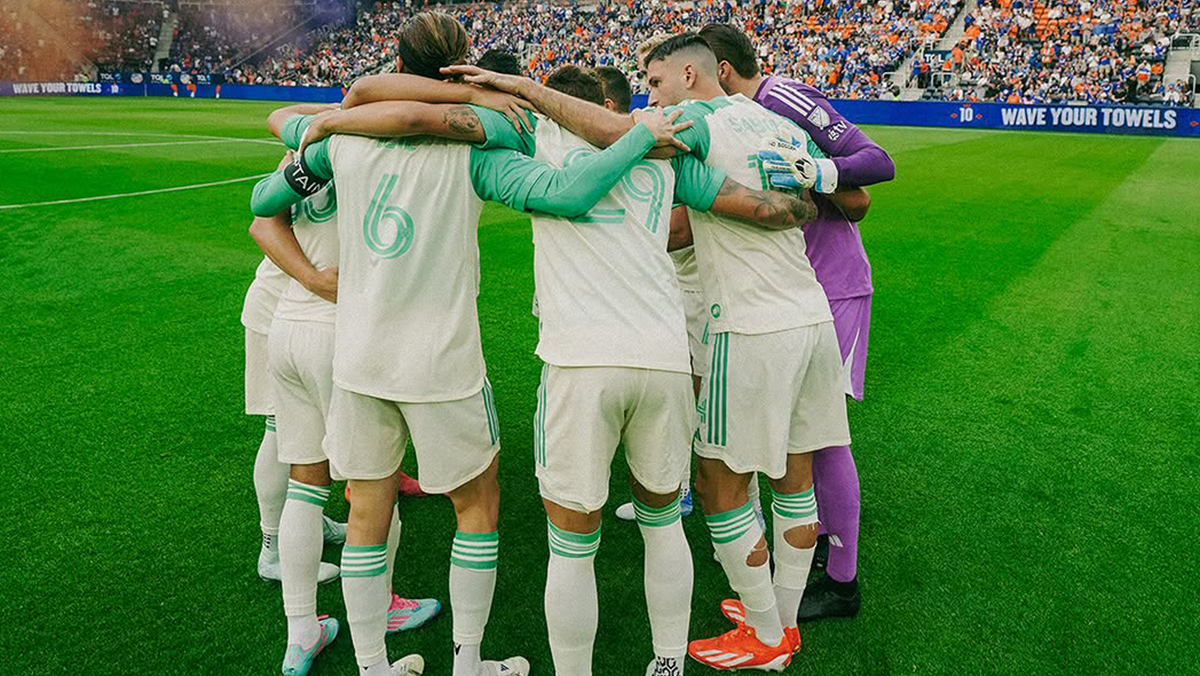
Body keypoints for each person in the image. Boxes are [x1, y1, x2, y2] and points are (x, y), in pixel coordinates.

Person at [250, 15, 695, 676]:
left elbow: (265, 193)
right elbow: (567, 193)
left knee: (366, 507)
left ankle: (372, 666)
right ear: (461, 68)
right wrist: (634, 139)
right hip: (442, 361)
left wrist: (334, 123)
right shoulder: (485, 139)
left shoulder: (335, 139)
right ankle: (468, 660)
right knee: (477, 506)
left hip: (360, 356)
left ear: (399, 61)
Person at [444, 32, 857, 670]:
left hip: (635, 349)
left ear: (689, 76)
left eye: (657, 82)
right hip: (773, 326)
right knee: (752, 494)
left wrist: (523, 91)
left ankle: (769, 636)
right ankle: (724, 639)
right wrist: (793, 203)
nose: (650, 98)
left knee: (610, 527)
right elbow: (788, 204)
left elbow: (570, 186)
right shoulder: (763, 127)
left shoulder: (667, 129)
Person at [699, 22, 897, 621]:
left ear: (720, 71)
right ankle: (807, 550)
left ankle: (842, 580)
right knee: (797, 434)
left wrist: (821, 176)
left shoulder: (779, 99)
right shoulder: (736, 118)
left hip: (830, 285)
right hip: (794, 291)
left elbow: (875, 163)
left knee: (823, 435)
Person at [249, 145, 440, 674]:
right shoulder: (382, 152)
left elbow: (262, 223)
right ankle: (381, 610)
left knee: (306, 484)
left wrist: (308, 277)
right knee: (372, 486)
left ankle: (302, 630)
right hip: (345, 333)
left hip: (288, 327)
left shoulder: (311, 145)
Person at [241, 241, 344, 585]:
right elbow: (263, 223)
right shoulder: (296, 187)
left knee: (296, 431)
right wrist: (313, 279)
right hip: (280, 311)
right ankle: (272, 551)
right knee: (281, 427)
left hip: (298, 311)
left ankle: (304, 525)